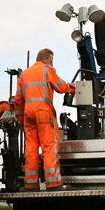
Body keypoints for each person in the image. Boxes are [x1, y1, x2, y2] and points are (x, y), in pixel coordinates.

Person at [13, 49, 75, 191]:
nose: (52, 63)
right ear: (46, 59)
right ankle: (53, 183)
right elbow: (60, 87)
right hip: (43, 112)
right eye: (51, 60)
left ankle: (31, 184)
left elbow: (17, 100)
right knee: (49, 146)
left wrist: (21, 119)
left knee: (31, 149)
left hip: (28, 113)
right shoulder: (47, 70)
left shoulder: (24, 74)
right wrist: (72, 88)